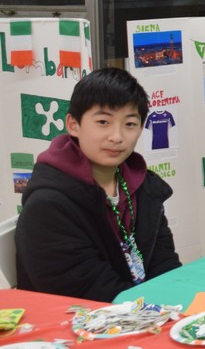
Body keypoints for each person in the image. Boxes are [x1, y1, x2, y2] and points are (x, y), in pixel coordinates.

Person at [15, 68, 181, 301]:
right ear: (73, 125)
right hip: (81, 324)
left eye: (130, 124)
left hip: (143, 314)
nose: (117, 136)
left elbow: (165, 265)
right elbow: (87, 292)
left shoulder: (143, 187)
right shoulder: (49, 205)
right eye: (103, 121)